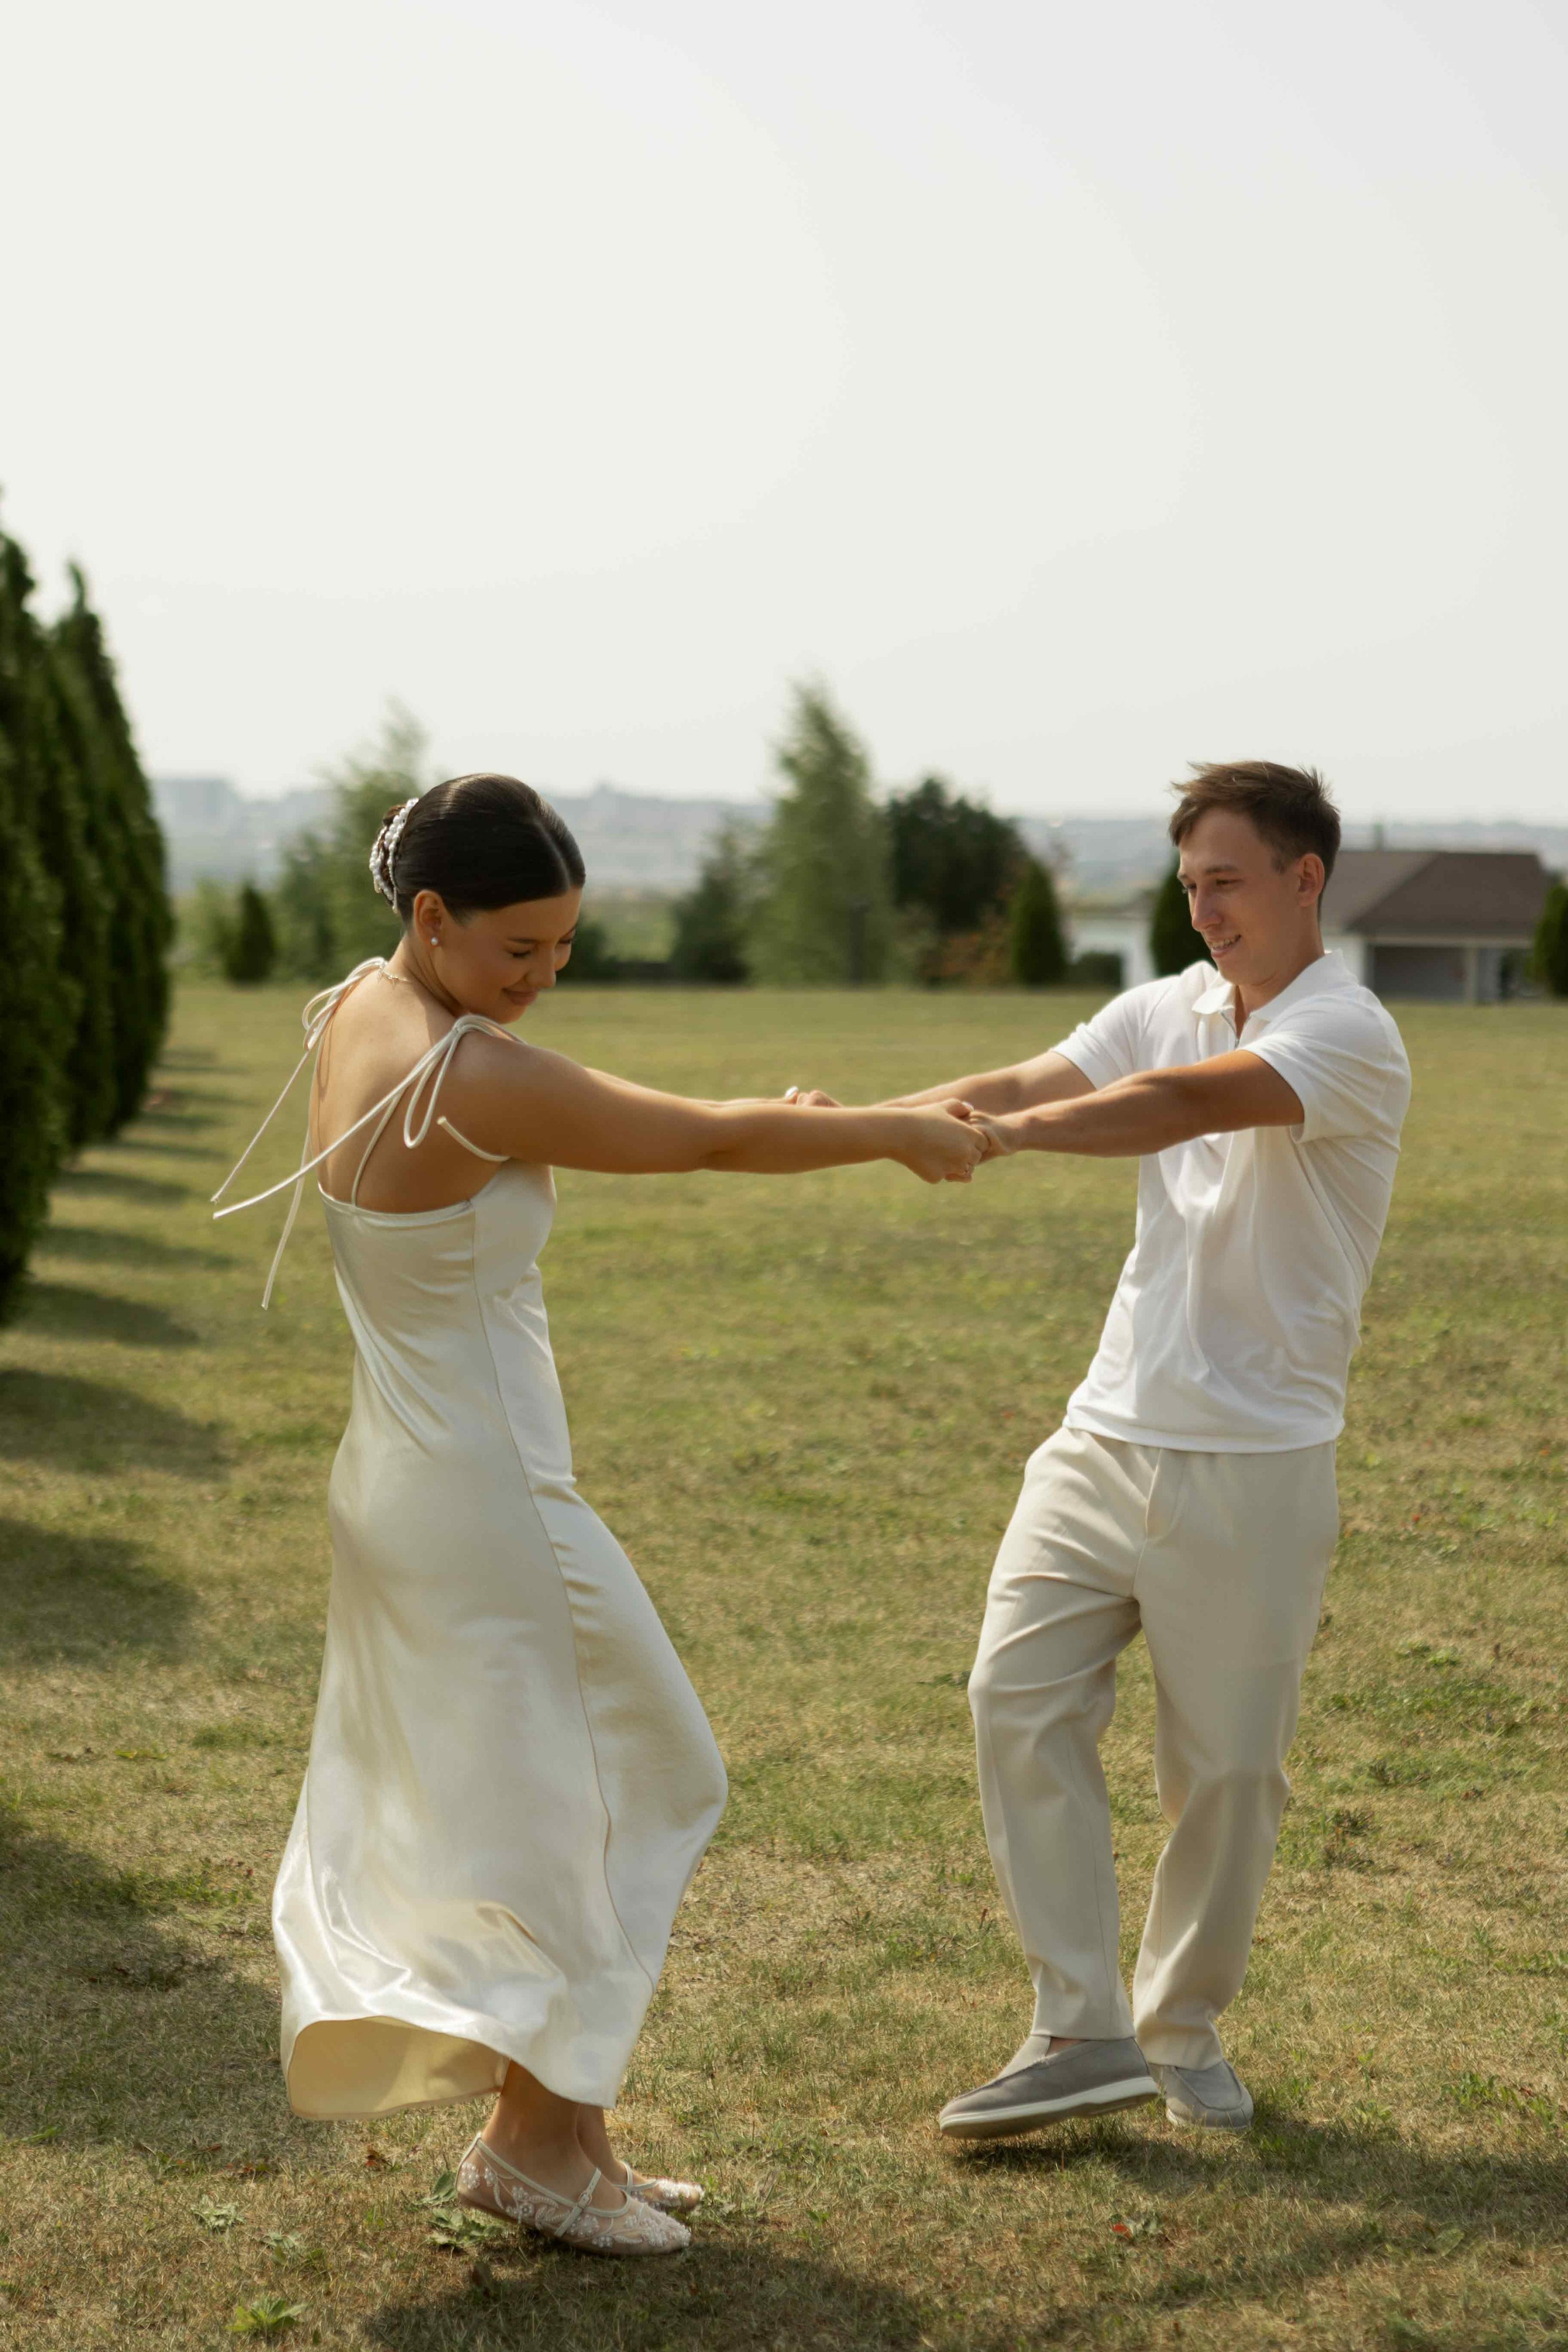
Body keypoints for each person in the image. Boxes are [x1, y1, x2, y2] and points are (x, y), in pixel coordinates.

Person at [212, 774, 986, 2258]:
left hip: (408, 1480)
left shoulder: (356, 1014)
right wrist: (888, 1130)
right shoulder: (466, 1071)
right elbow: (693, 1139)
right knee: (639, 1777)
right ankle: (532, 2144)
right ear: (430, 916)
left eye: (563, 948)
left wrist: (789, 1118)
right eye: (520, 950)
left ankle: (561, 2142)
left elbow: (665, 1122)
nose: (543, 977)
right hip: (484, 1498)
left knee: (543, 1808)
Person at [792, 761, 1411, 2140]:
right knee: (1011, 1696)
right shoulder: (1164, 1005)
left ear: (1304, 879)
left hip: (1251, 1461)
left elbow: (1184, 1107)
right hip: (1100, 1435)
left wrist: (999, 1140)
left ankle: (1177, 2030)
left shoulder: (1347, 1031)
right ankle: (1076, 2026)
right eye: (1188, 885)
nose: (1203, 911)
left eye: (1227, 882)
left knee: (1225, 1773)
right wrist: (870, 1127)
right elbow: (1018, 1074)